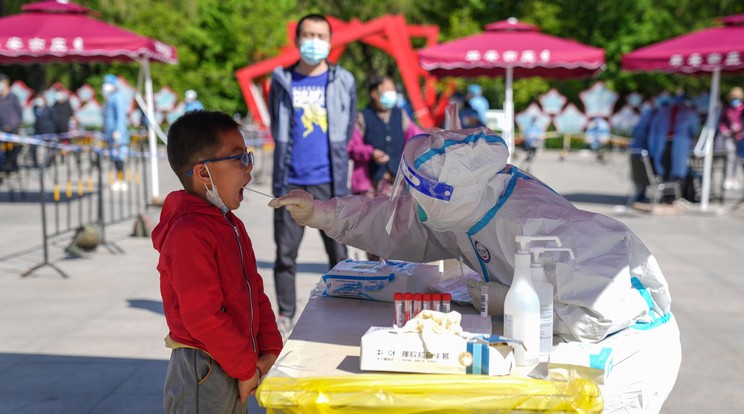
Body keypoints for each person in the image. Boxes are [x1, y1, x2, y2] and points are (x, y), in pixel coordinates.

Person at [270, 127, 681, 413]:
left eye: (419, 193)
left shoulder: (541, 224)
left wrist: (504, 298)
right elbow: (401, 226)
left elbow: (599, 315)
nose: (412, 201)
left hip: (626, 356)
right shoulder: (465, 210)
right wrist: (327, 213)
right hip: (570, 343)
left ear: (447, 198)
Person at [152, 110, 283, 413]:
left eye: (247, 156)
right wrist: (247, 368)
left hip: (235, 362)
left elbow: (255, 292)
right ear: (203, 173)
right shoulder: (189, 232)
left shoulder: (231, 224)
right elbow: (202, 316)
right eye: (239, 159)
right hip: (205, 369)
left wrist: (270, 351)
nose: (248, 169)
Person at [268, 13, 356, 337]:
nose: (314, 42)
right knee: (286, 254)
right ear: (297, 39)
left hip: (329, 181)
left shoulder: (343, 80)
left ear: (330, 42)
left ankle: (345, 308)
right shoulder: (282, 80)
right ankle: (285, 315)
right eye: (308, 35)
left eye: (320, 36)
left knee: (339, 253)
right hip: (290, 180)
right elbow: (277, 126)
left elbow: (347, 129)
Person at [348, 74, 423, 260]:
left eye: (393, 91)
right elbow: (352, 146)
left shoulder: (401, 115)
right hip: (370, 185)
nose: (392, 94)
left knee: (396, 231)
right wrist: (370, 152)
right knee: (372, 231)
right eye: (387, 90)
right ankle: (376, 270)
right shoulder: (362, 117)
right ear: (374, 93)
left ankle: (392, 268)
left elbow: (415, 136)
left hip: (394, 184)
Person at [648, 93, 700, 200]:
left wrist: (652, 147)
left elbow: (653, 130)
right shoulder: (688, 112)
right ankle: (675, 197)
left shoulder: (663, 111)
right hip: (676, 144)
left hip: (665, 144)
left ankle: (668, 197)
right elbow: (694, 128)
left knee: (667, 172)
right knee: (676, 173)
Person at [102, 74, 131, 191]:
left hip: (117, 133)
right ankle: (119, 180)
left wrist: (118, 131)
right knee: (115, 157)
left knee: (119, 157)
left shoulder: (118, 97)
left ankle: (121, 180)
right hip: (111, 132)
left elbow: (120, 116)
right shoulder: (111, 97)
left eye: (107, 83)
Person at [717, 87, 744, 191]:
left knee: (738, 158)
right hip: (729, 136)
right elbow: (721, 122)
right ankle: (728, 178)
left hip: (740, 136)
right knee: (730, 156)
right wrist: (724, 130)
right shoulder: (727, 109)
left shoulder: (742, 109)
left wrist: (740, 130)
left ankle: (735, 178)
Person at [0, 73, 24, 173]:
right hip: (1, 130)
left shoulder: (13, 97)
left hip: (13, 129)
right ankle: (3, 166)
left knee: (15, 148)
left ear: (6, 83)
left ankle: (12, 165)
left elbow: (19, 112)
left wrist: (17, 125)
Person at [31, 94, 56, 168]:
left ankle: (49, 162)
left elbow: (54, 120)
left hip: (48, 132)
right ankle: (35, 163)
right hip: (38, 132)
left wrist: (52, 132)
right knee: (33, 147)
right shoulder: (35, 108)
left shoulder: (50, 109)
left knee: (50, 148)